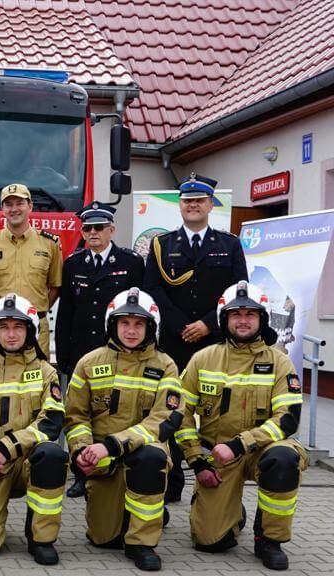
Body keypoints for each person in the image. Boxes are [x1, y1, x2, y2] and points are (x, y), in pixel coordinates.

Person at [176, 281, 306, 571]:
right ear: (224, 319)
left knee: (283, 460)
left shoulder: (279, 361)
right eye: (236, 314)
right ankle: (232, 515)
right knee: (210, 542)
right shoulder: (202, 359)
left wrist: (239, 444)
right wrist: (197, 462)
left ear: (262, 319)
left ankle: (269, 539)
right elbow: (181, 415)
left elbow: (288, 419)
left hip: (264, 449)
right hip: (217, 457)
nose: (243, 320)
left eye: (251, 314)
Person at [63, 288, 185, 571]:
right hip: (101, 456)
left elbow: (163, 419)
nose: (131, 330)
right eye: (124, 323)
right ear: (112, 324)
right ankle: (138, 514)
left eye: (139, 324)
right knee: (104, 539)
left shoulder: (165, 366)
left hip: (142, 448)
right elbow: (75, 416)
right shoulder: (90, 363)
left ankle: (142, 543)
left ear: (150, 327)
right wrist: (82, 451)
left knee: (151, 459)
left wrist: (113, 444)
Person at [144, 173, 247, 503]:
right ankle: (172, 481)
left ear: (210, 205)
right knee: (172, 409)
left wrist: (207, 324)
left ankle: (212, 477)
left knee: (216, 413)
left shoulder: (228, 244)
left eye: (199, 201)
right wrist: (178, 325)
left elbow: (237, 293)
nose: (192, 205)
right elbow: (153, 289)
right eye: (187, 201)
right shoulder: (162, 245)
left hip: (215, 343)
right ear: (180, 206)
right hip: (174, 342)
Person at [0, 294, 66, 565]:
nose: (11, 334)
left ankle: (41, 537)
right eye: (3, 327)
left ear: (30, 330)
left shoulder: (46, 372)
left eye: (18, 327)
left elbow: (51, 421)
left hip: (27, 461)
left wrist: (8, 447)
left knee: (51, 455)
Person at [56, 201, 143, 498]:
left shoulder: (130, 263)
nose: (92, 233)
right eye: (87, 228)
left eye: (98, 228)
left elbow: (141, 311)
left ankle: (116, 463)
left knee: (111, 410)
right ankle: (81, 472)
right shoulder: (73, 263)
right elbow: (66, 312)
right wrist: (64, 356)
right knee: (81, 413)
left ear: (111, 230)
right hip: (82, 352)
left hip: (117, 352)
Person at [0, 183, 63, 356]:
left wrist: (35, 311)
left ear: (30, 206)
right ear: (2, 208)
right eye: (8, 204)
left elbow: (55, 286)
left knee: (37, 379)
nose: (14, 209)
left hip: (35, 328)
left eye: (19, 203)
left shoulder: (50, 243)